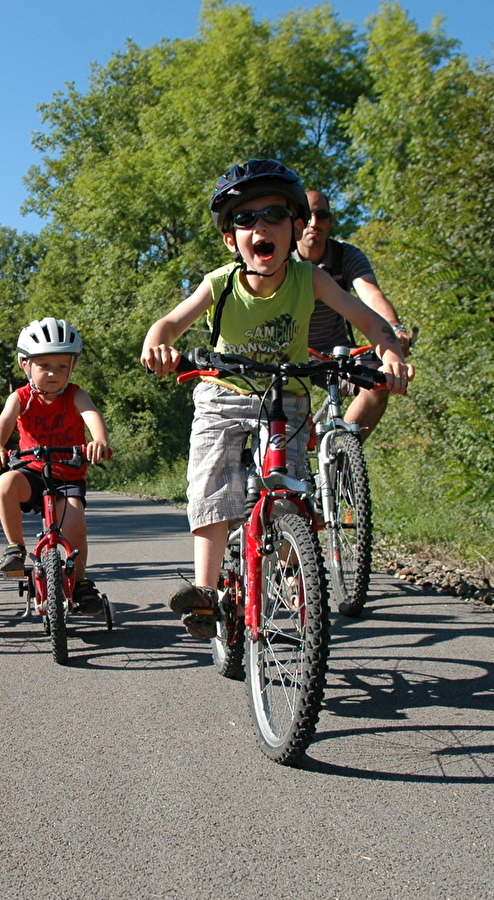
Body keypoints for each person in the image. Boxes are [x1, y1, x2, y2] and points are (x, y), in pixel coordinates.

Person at [139, 160, 412, 638]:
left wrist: (388, 350)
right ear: (231, 239)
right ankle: (205, 592)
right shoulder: (220, 282)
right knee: (212, 481)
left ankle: (285, 561)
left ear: (296, 229)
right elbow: (168, 324)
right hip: (225, 392)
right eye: (245, 219)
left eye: (273, 216)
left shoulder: (311, 279)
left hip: (286, 397)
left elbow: (367, 319)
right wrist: (157, 343)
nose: (260, 227)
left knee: (290, 490)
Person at [0, 318, 113, 614]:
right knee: (5, 484)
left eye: (62, 366)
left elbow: (92, 415)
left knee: (75, 522)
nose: (53, 373)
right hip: (33, 472)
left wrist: (99, 441)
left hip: (67, 474)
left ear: (72, 367)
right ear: (24, 364)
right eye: (44, 366)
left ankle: (79, 583)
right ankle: (15, 548)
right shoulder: (21, 397)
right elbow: (2, 425)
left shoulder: (75, 394)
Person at [296, 191, 415, 440]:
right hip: (289, 351)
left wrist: (394, 328)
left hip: (337, 353)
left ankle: (341, 459)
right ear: (296, 221)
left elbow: (370, 294)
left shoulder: (346, 257)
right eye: (308, 216)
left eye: (322, 215)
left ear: (330, 221)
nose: (314, 223)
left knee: (378, 384)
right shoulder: (280, 260)